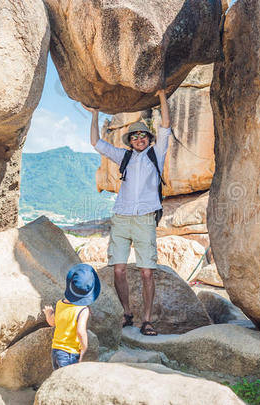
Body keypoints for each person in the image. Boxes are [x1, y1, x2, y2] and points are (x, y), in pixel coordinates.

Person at [83, 90, 171, 336]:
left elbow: (166, 124)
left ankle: (147, 320)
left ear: (148, 138)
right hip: (121, 217)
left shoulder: (157, 153)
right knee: (119, 269)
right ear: (130, 140)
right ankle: (127, 313)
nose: (139, 139)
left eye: (143, 135)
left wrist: (162, 96)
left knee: (147, 271)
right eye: (135, 136)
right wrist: (95, 115)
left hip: (144, 218)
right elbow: (95, 143)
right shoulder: (124, 157)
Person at [43, 263, 101, 369]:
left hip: (56, 350)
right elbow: (80, 331)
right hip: (70, 354)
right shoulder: (83, 310)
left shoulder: (60, 303)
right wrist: (84, 348)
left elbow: (52, 322)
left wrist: (48, 313)